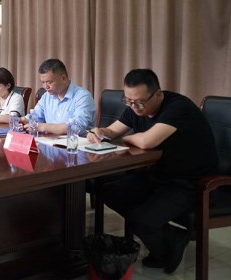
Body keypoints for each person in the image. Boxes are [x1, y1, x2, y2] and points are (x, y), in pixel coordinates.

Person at [87, 69, 218, 274]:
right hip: (158, 173)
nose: (134, 107)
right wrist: (99, 131)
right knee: (109, 192)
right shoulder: (135, 106)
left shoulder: (178, 107)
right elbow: (112, 131)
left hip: (191, 182)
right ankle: (170, 235)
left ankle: (167, 246)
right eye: (128, 101)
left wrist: (127, 138)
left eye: (139, 102)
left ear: (158, 94)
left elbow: (147, 141)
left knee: (140, 220)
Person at [29, 58, 95, 134]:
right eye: (43, 82)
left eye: (49, 82)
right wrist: (21, 120)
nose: (45, 87)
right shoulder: (47, 96)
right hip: (50, 139)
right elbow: (34, 117)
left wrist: (44, 127)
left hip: (76, 140)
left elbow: (77, 126)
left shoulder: (83, 96)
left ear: (63, 78)